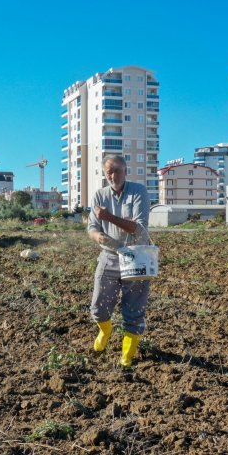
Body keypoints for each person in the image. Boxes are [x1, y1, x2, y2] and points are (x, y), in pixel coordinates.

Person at [87, 154, 150, 367]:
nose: (112, 175)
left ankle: (127, 357)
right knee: (98, 305)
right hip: (109, 255)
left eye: (117, 171)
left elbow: (138, 228)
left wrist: (108, 217)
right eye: (108, 172)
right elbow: (92, 227)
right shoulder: (99, 195)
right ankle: (105, 331)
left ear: (125, 171)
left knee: (133, 309)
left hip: (136, 256)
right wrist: (97, 236)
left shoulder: (138, 191)